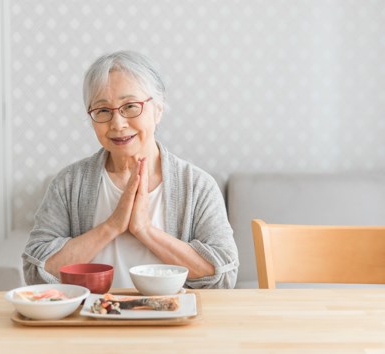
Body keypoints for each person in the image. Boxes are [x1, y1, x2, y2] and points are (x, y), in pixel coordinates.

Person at [22, 50, 239, 289]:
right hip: (92, 321)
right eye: (103, 111)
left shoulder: (197, 185)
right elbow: (36, 270)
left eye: (130, 106)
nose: (117, 124)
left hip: (169, 321)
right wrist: (111, 226)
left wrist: (145, 230)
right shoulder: (69, 183)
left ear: (158, 109)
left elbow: (223, 274)